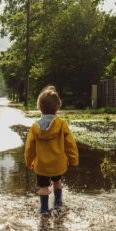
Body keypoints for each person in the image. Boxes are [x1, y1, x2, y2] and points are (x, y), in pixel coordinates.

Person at [25, 86, 79, 215]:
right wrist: (73, 159)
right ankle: (58, 203)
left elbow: (29, 148)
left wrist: (29, 161)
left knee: (43, 187)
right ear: (57, 107)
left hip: (42, 165)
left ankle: (44, 209)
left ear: (40, 107)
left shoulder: (34, 127)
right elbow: (70, 144)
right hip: (58, 163)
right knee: (57, 181)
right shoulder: (61, 124)